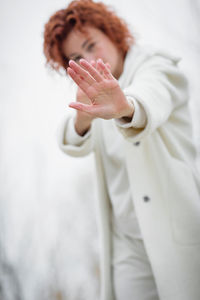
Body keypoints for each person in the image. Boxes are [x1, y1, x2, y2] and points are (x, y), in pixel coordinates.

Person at [43, 1, 200, 299]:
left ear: (113, 35)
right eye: (76, 57)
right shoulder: (94, 98)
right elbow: (72, 142)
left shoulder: (156, 66)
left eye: (91, 46)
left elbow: (153, 95)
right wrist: (84, 117)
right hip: (127, 247)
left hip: (179, 235)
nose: (88, 60)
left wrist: (125, 107)